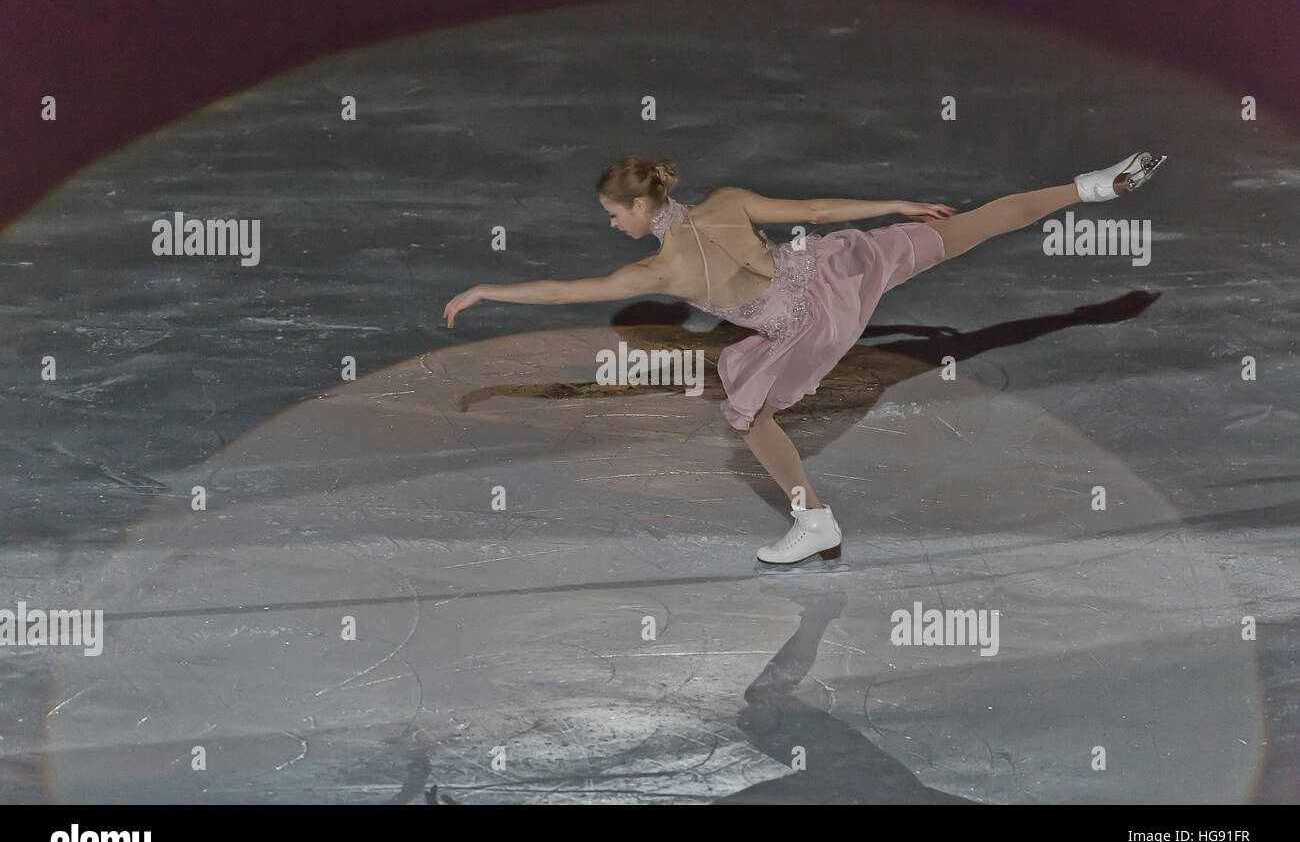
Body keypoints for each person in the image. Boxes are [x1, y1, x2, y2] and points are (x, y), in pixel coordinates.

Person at [444, 152, 1166, 565]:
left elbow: (567, 291)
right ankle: (1094, 186)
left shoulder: (657, 273)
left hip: (801, 325)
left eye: (613, 213)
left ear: (638, 209)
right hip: (835, 270)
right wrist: (895, 202)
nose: (610, 223)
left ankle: (814, 518)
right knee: (972, 227)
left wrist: (488, 288)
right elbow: (818, 211)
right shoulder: (725, 202)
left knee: (749, 415)